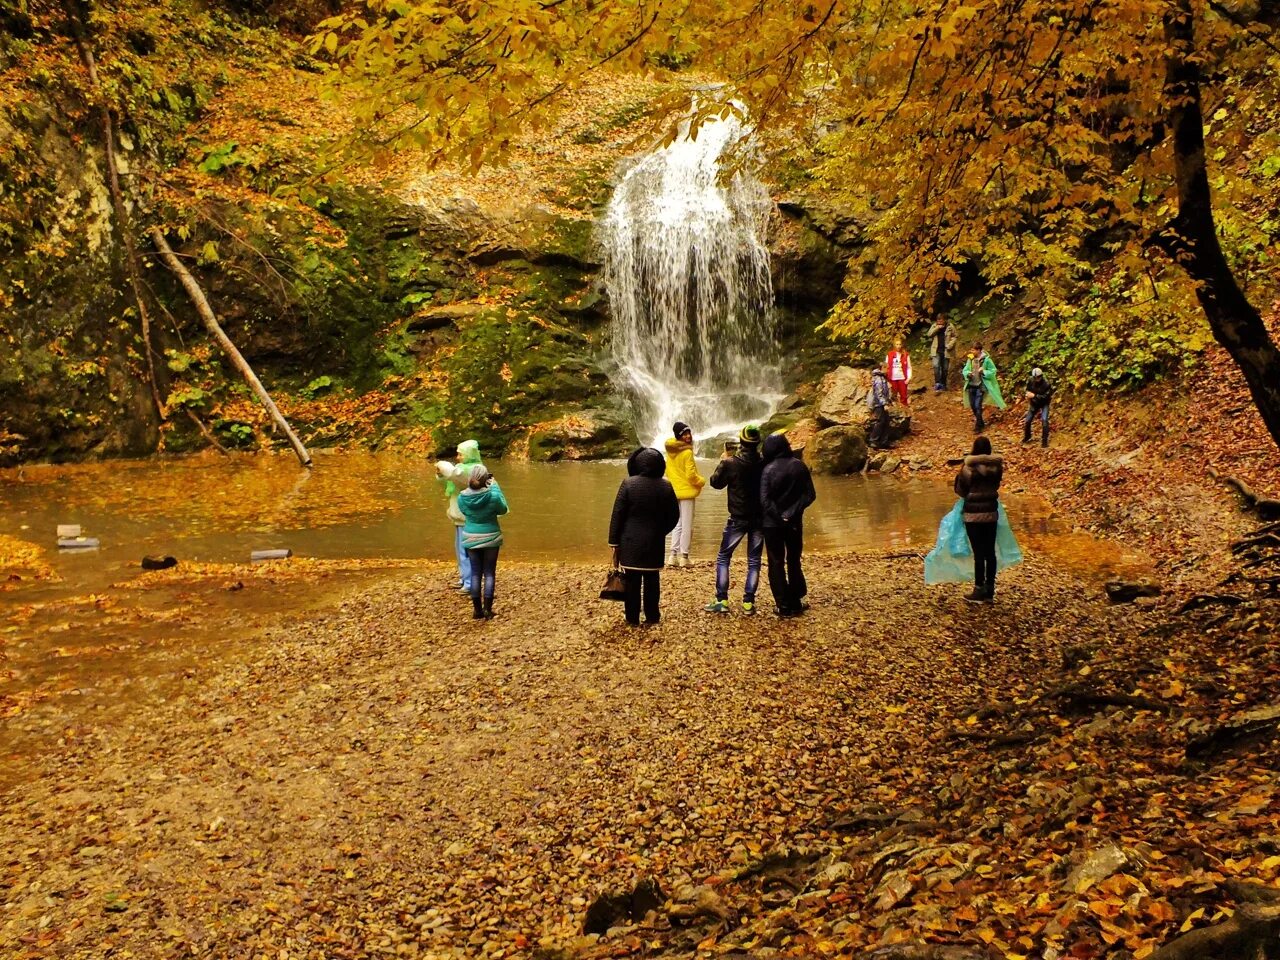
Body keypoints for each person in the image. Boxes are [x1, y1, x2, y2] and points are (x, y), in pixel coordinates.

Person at [608, 447, 680, 626]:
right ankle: (652, 616)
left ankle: (632, 618)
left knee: (631, 581)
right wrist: (660, 531)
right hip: (654, 542)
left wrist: (614, 541)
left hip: (630, 542)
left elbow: (618, 514)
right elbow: (674, 515)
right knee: (652, 581)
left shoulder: (628, 484)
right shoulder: (666, 486)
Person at [704, 424, 766, 615]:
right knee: (754, 560)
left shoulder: (730, 463)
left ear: (741, 442)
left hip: (737, 518)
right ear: (756, 443)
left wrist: (722, 461)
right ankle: (748, 603)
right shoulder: (764, 462)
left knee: (724, 557)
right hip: (759, 519)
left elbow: (715, 483)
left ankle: (722, 600)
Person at [760, 434, 817, 617]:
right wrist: (790, 514)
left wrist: (779, 518)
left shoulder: (767, 470)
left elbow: (764, 500)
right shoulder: (798, 465)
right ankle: (796, 601)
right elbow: (809, 495)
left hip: (772, 524)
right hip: (794, 523)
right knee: (793, 560)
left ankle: (783, 606)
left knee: (776, 562)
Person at [953, 436, 1003, 602]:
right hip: (991, 514)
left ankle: (978, 588)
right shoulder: (997, 467)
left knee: (979, 554)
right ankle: (990, 589)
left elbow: (961, 491)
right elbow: (996, 486)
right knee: (990, 553)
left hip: (973, 516)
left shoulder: (968, 469)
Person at [457, 465, 508, 619]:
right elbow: (503, 509)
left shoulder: (462, 497)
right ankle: (488, 610)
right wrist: (496, 487)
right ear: (486, 479)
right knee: (489, 573)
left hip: (470, 537)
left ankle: (477, 610)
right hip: (491, 537)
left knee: (475, 573)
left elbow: (464, 512)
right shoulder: (492, 495)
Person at [664, 421, 705, 567]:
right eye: (684, 434)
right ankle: (684, 557)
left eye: (688, 433)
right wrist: (702, 481)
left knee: (678, 523)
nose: (688, 436)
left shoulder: (670, 451)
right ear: (679, 436)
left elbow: (668, 472)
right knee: (687, 525)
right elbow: (691, 476)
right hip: (687, 492)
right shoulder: (687, 452)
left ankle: (672, 556)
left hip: (674, 491)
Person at [434, 459, 470, 591]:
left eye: (461, 453)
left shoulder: (471, 470)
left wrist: (443, 466)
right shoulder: (461, 469)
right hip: (458, 518)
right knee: (460, 551)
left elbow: (457, 477)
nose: (458, 456)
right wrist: (440, 474)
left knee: (465, 552)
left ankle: (469, 583)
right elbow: (449, 480)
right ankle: (464, 578)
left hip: (465, 519)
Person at [960, 343, 1006, 432]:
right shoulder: (970, 359)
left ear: (978, 350)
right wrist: (967, 374)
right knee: (973, 406)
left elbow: (993, 371)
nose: (971, 351)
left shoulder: (986, 360)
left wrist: (984, 371)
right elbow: (965, 370)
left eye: (973, 350)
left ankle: (978, 426)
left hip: (980, 386)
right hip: (971, 385)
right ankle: (980, 422)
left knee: (978, 405)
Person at [1023, 368, 1055, 447]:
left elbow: (1046, 396)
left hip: (1044, 403)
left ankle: (1044, 441)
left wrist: (1035, 396)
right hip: (1034, 403)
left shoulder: (1046, 383)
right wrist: (1027, 394)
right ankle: (1027, 436)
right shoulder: (1030, 381)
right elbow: (1027, 389)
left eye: (1039, 377)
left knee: (1044, 420)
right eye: (1035, 378)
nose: (1037, 379)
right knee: (1027, 421)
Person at [925, 314, 958, 390]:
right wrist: (937, 328)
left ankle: (944, 384)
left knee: (945, 368)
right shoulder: (934, 326)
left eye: (941, 320)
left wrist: (950, 344)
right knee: (936, 366)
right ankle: (938, 383)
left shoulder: (950, 326)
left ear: (945, 320)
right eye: (938, 320)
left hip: (946, 350)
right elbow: (929, 334)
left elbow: (955, 336)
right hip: (936, 350)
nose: (939, 322)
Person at [868, 362, 893, 450]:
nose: (888, 370)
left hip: (882, 403)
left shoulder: (882, 378)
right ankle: (873, 440)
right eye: (887, 368)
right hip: (879, 404)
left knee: (886, 422)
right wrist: (884, 403)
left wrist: (888, 401)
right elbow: (879, 393)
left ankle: (884, 442)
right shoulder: (878, 379)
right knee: (880, 422)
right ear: (882, 368)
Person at [885, 337, 912, 407]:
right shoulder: (889, 354)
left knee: (903, 395)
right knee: (893, 396)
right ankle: (895, 411)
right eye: (897, 344)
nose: (898, 346)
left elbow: (909, 367)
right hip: (892, 378)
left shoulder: (905, 355)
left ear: (902, 345)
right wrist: (886, 379)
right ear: (894, 345)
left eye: (900, 344)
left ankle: (905, 410)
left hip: (902, 378)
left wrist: (908, 378)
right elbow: (886, 367)